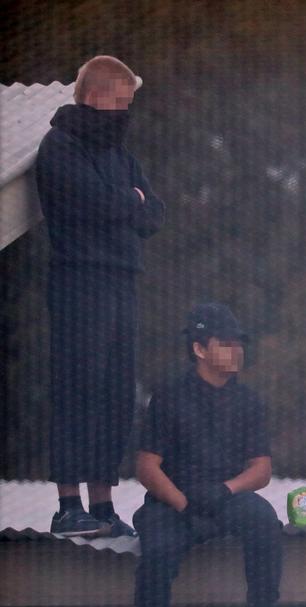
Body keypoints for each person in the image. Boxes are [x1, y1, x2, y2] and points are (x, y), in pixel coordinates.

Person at [36, 55, 165, 537]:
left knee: (116, 392)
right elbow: (96, 202)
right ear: (94, 97)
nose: (126, 112)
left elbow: (155, 214)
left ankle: (103, 504)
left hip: (122, 279)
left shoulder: (123, 156)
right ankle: (68, 504)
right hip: (78, 279)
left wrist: (131, 204)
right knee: (78, 388)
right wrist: (129, 201)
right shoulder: (60, 146)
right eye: (121, 102)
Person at [132, 303, 282, 607]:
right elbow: (147, 467)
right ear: (200, 348)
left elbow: (262, 469)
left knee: (267, 523)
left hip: (222, 498)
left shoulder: (249, 400)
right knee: (157, 555)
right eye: (226, 343)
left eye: (240, 344)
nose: (237, 351)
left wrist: (226, 490)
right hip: (172, 503)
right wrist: (182, 504)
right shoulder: (168, 394)